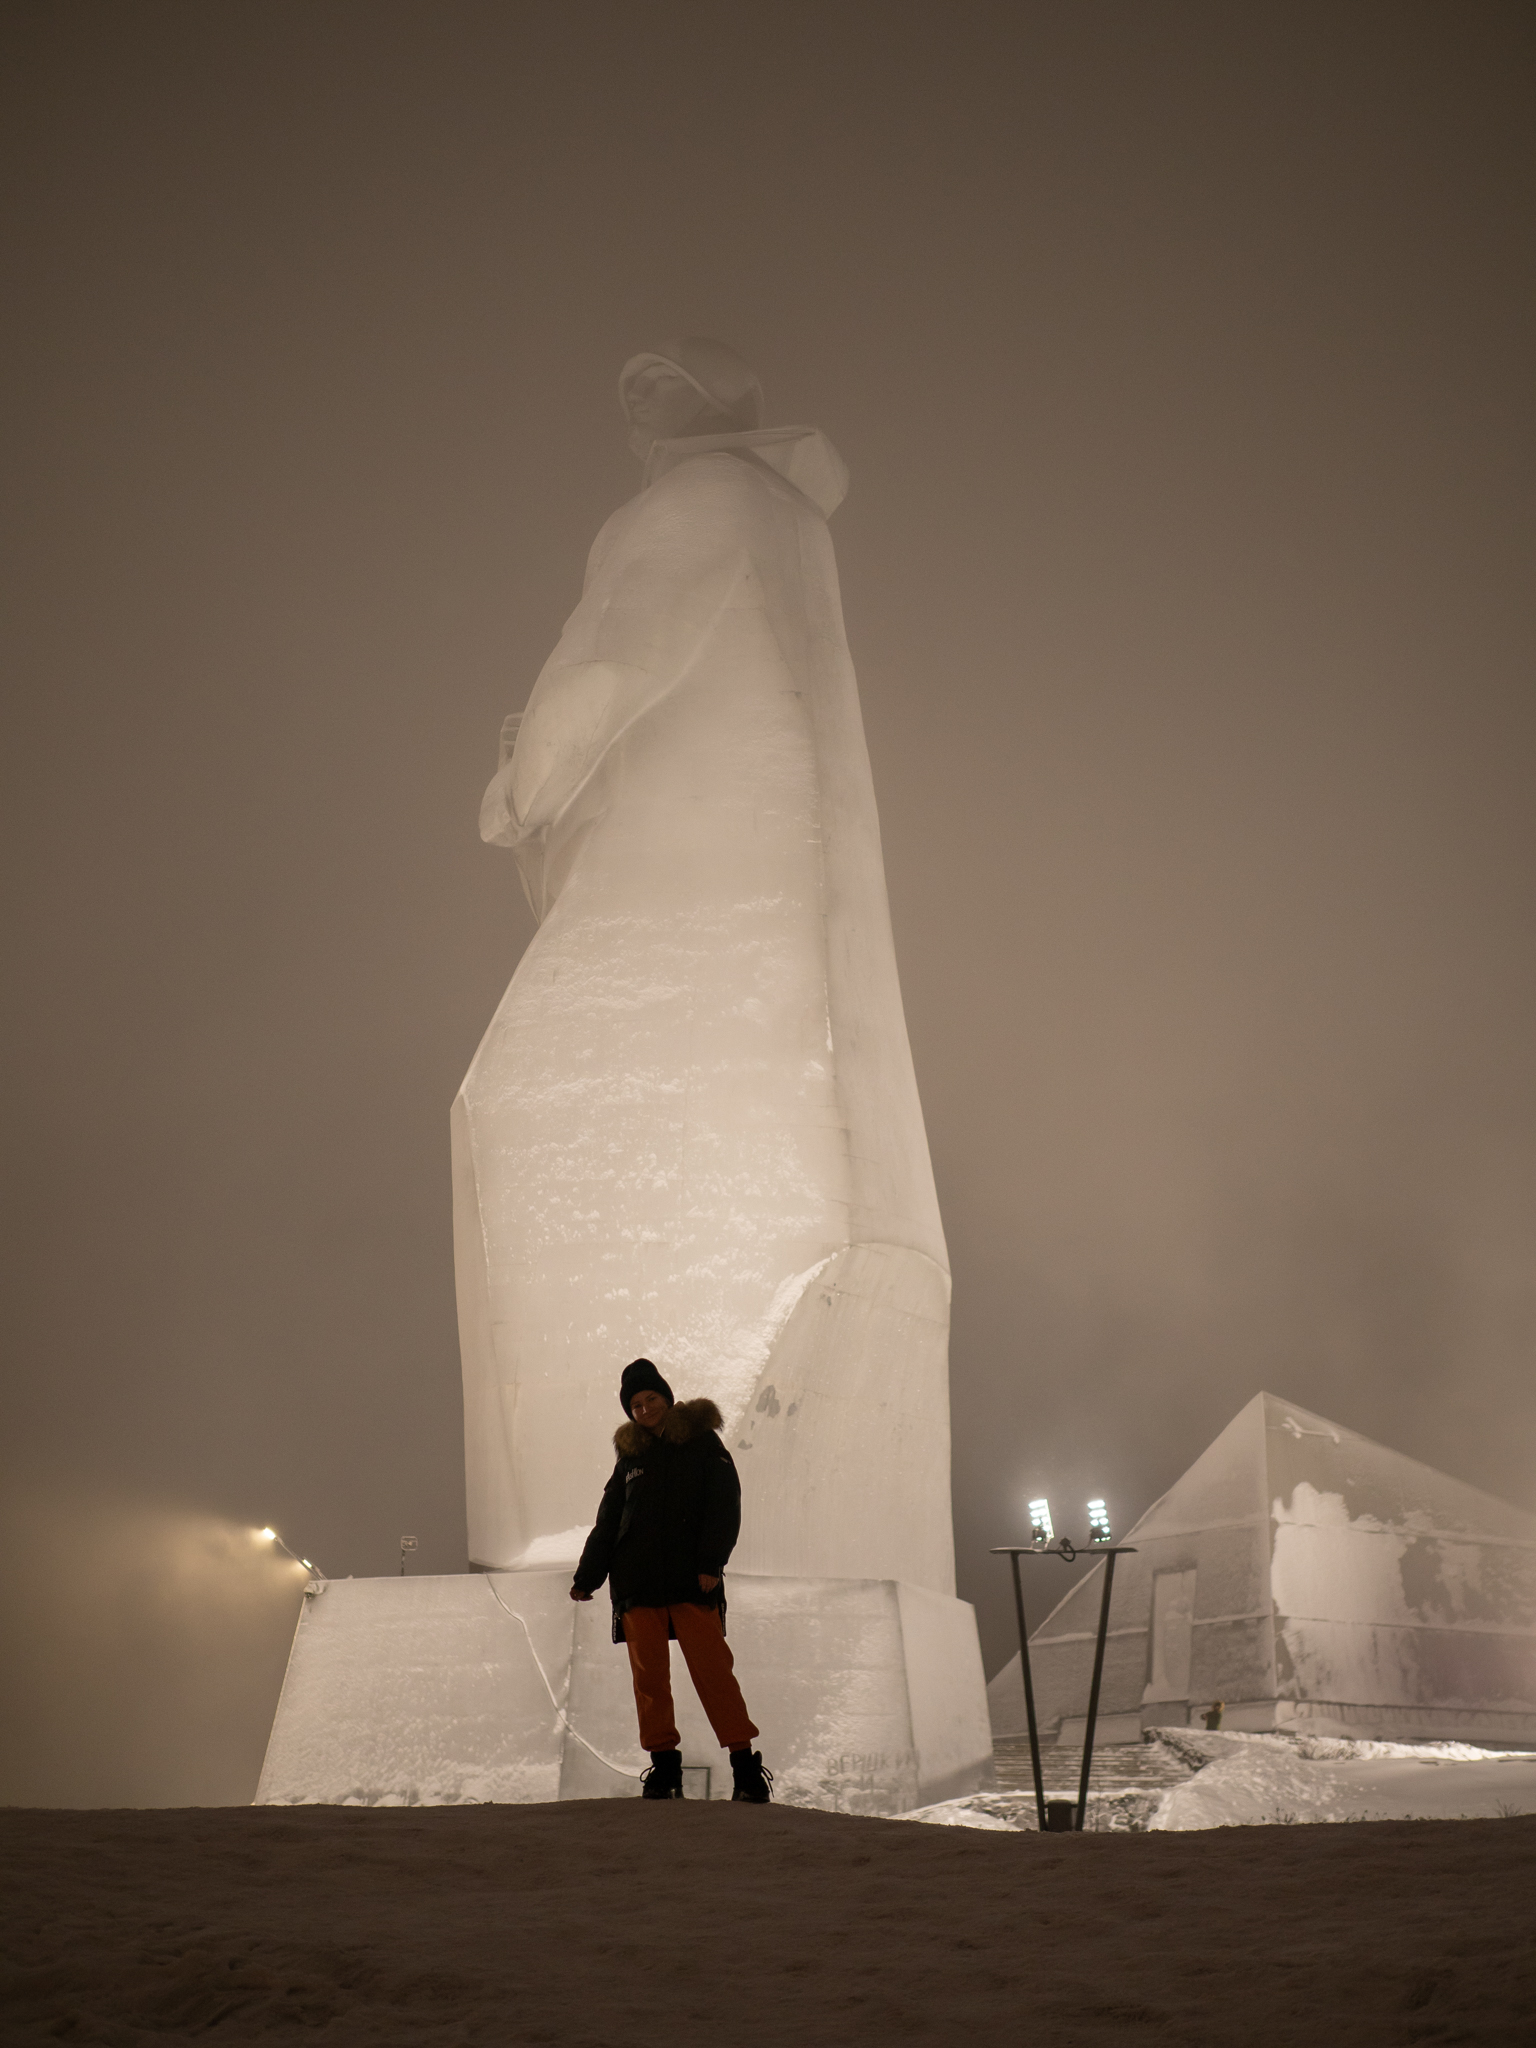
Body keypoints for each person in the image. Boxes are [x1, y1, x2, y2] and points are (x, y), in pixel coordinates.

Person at [571, 1357, 773, 1802]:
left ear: (667, 1397)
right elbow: (609, 1521)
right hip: (638, 1586)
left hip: (690, 1581)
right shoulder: (630, 1457)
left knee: (714, 1673)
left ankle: (746, 1770)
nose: (644, 1410)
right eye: (636, 1405)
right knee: (650, 1682)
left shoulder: (702, 1443)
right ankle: (664, 1771)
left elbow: (724, 1505)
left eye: (650, 1400)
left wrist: (710, 1564)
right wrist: (589, 1577)